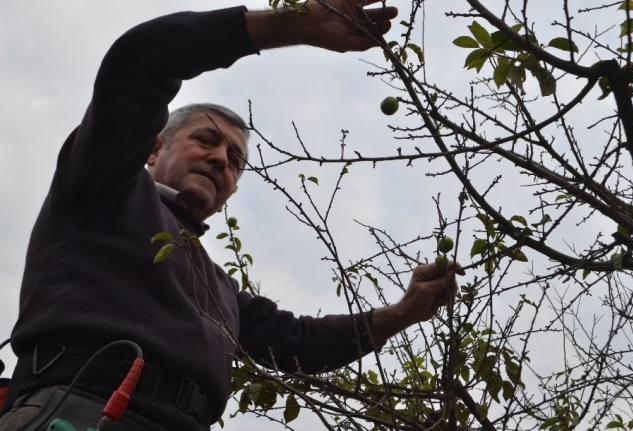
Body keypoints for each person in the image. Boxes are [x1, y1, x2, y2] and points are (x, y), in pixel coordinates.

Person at [0, 1, 463, 430]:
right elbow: (139, 61)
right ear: (154, 148)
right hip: (77, 410)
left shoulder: (215, 286)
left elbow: (298, 341)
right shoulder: (105, 182)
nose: (222, 159)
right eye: (205, 140)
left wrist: (403, 313)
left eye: (235, 159)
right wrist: (294, 22)